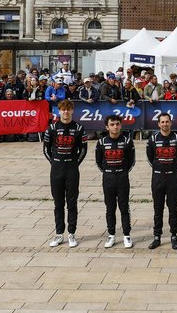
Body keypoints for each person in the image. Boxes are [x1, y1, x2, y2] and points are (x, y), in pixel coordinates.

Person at [43, 99, 87, 248]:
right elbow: (46, 149)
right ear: (59, 111)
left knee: (72, 202)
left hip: (72, 169)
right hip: (56, 169)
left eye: (68, 109)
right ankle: (59, 233)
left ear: (72, 111)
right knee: (58, 203)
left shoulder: (79, 128)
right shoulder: (52, 128)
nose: (66, 112)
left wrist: (74, 163)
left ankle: (71, 233)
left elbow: (83, 149)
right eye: (63, 109)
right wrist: (55, 162)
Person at [147, 112, 177, 250]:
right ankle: (157, 237)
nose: (165, 124)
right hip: (157, 178)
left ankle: (174, 236)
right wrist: (160, 168)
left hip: (172, 178)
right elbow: (150, 158)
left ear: (171, 123)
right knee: (158, 209)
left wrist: (172, 168)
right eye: (162, 122)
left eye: (167, 121)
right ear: (159, 124)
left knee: (173, 208)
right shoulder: (152, 139)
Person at [96, 115, 135, 249]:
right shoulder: (101, 142)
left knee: (124, 207)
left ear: (121, 125)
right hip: (108, 179)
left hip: (122, 178)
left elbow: (131, 161)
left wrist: (121, 172)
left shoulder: (128, 141)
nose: (115, 127)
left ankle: (126, 235)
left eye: (117, 124)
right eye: (112, 124)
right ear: (107, 127)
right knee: (110, 208)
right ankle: (111, 235)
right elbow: (99, 162)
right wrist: (109, 172)